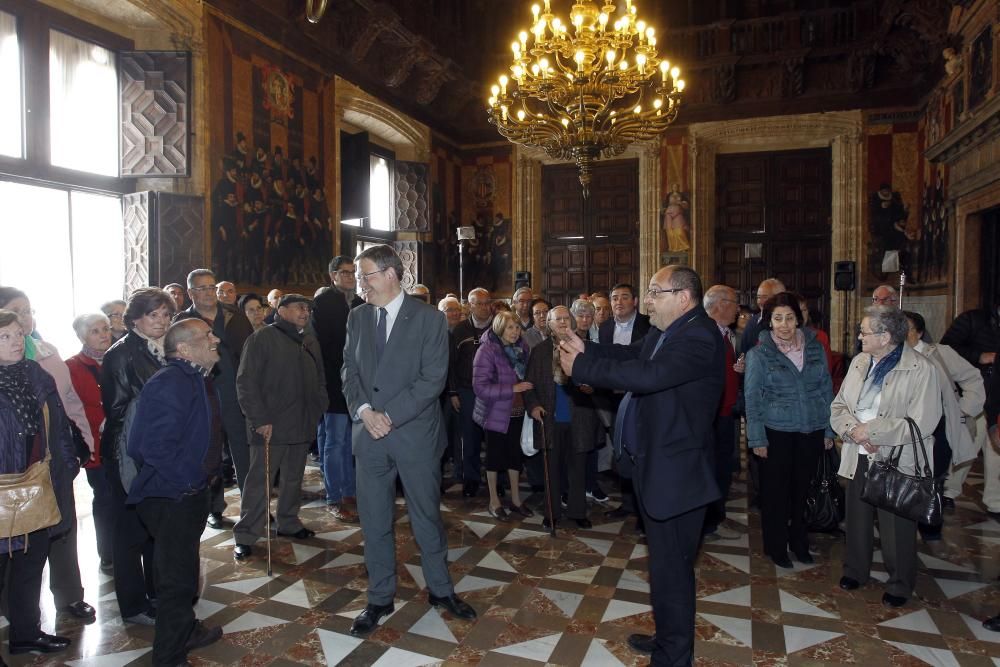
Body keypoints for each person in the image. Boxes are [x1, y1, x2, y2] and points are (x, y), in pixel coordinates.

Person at [559, 265, 724, 664]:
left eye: (654, 292)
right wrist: (586, 347)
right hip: (658, 467)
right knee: (665, 569)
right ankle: (668, 638)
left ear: (683, 297)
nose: (647, 301)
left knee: (673, 572)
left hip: (678, 475)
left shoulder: (700, 336)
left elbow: (649, 375)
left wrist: (582, 369)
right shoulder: (669, 332)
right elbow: (633, 354)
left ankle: (674, 656)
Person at [342, 244, 476, 636]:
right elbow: (348, 371)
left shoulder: (429, 319)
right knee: (374, 520)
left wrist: (390, 416)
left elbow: (432, 379)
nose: (360, 283)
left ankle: (440, 589)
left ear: (389, 274)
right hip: (369, 435)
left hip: (414, 435)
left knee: (426, 517)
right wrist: (366, 411)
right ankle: (379, 596)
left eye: (365, 275)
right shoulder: (357, 318)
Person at [127, 319, 225, 666]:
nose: (215, 339)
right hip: (171, 496)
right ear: (184, 349)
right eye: (207, 336)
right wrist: (189, 478)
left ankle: (187, 629)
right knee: (176, 581)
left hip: (188, 491)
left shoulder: (196, 377)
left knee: (184, 570)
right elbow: (148, 447)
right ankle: (168, 656)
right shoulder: (170, 383)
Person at [832, 306, 942, 608]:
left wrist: (873, 433)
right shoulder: (859, 362)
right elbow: (839, 405)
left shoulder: (921, 368)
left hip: (897, 456)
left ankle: (900, 583)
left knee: (897, 526)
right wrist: (854, 431)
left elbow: (923, 421)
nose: (859, 337)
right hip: (859, 451)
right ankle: (855, 570)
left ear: (885, 336)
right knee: (857, 518)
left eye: (864, 332)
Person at [0, 287, 95, 622]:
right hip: (17, 470)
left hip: (55, 460)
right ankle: (17, 613)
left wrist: (82, 437)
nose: (26, 319)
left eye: (28, 311)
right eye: (17, 312)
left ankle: (69, 597)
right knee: (20, 536)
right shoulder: (8, 358)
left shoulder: (44, 351)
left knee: (62, 530)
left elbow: (66, 401)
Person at [101, 286, 176, 625]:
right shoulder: (121, 353)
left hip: (158, 451)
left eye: (166, 315)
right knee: (129, 534)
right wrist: (121, 464)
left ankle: (156, 593)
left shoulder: (164, 349)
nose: (161, 321)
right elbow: (116, 412)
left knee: (154, 529)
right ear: (135, 319)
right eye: (153, 315)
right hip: (128, 453)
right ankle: (132, 605)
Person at [744, 292, 835, 568]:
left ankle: (799, 541)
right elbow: (752, 397)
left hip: (811, 429)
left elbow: (825, 389)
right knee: (776, 493)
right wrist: (757, 437)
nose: (784, 324)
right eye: (778, 318)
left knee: (802, 490)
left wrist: (829, 430)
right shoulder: (759, 354)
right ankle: (776, 546)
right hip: (776, 432)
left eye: (790, 318)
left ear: (799, 319)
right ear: (769, 322)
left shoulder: (815, 347)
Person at [233, 294, 327, 559]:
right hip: (270, 426)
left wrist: (318, 406)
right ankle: (247, 534)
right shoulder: (262, 338)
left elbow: (320, 378)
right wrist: (259, 420)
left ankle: (288, 522)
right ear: (281, 309)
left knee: (293, 478)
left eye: (308, 309)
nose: (305, 312)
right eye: (300, 307)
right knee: (259, 482)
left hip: (301, 422)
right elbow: (246, 383)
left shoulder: (309, 340)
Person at [177, 269, 254, 527]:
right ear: (190, 293)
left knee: (243, 453)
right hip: (203, 397)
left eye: (212, 287)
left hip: (236, 394)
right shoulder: (183, 322)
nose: (209, 293)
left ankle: (252, 507)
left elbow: (250, 354)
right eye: (202, 288)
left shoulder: (236, 316)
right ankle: (214, 506)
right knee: (211, 454)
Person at [901, 312, 985, 513]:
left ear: (919, 333)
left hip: (939, 424)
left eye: (907, 329)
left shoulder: (939, 353)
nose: (902, 334)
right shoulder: (891, 355)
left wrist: (963, 409)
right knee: (905, 473)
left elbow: (972, 378)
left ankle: (931, 525)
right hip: (905, 425)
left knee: (934, 474)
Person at [525, 306, 597, 528]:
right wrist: (534, 406)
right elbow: (529, 386)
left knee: (578, 469)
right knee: (552, 470)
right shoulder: (539, 351)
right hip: (550, 418)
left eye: (567, 318)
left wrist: (592, 387)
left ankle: (577, 512)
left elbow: (599, 378)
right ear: (549, 324)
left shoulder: (586, 348)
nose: (564, 322)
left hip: (579, 416)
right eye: (558, 319)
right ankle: (552, 512)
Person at [312, 255, 364, 523]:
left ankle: (349, 489)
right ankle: (334, 496)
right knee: (334, 441)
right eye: (344, 273)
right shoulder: (323, 303)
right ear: (332, 275)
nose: (349, 277)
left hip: (355, 382)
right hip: (333, 380)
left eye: (352, 272)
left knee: (349, 441)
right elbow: (322, 345)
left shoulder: (359, 303)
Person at [66, 313, 116, 573]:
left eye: (105, 328)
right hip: (95, 443)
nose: (103, 334)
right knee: (104, 497)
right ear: (82, 336)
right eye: (95, 331)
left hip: (121, 441)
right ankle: (107, 553)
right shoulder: (72, 366)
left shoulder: (117, 358)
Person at [472, 310, 533, 520]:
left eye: (517, 327)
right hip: (495, 413)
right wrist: (512, 389)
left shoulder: (522, 348)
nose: (515, 332)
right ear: (499, 328)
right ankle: (494, 502)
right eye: (510, 327)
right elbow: (480, 388)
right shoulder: (487, 350)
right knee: (494, 458)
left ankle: (516, 500)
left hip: (518, 412)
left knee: (515, 457)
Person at [598, 284, 651, 523]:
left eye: (624, 297)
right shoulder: (605, 327)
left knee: (640, 450)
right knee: (620, 451)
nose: (618, 302)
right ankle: (627, 502)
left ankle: (644, 507)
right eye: (614, 298)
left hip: (639, 396)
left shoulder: (648, 325)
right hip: (613, 397)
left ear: (635, 301)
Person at [702, 285, 743, 541]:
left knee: (722, 469)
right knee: (710, 470)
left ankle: (716, 517)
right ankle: (708, 523)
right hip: (710, 416)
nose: (738, 308)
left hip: (726, 412)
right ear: (720, 304)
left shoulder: (727, 334)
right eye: (734, 302)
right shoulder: (706, 333)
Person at [449, 287, 493, 496]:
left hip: (494, 391)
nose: (485, 307)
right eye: (480, 304)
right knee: (470, 437)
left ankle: (498, 480)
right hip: (467, 391)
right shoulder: (460, 330)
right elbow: (451, 364)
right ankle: (472, 479)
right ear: (470, 305)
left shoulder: (498, 326)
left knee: (495, 437)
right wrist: (453, 392)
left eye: (487, 303)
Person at [570, 298, 609, 504]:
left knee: (593, 442)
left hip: (595, 397)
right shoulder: (568, 338)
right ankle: (579, 486)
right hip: (575, 399)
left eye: (588, 316)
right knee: (580, 445)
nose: (585, 320)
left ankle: (591, 484)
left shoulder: (597, 336)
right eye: (581, 316)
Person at [740, 278, 786, 353]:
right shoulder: (752, 323)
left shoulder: (790, 323)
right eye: (758, 297)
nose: (760, 302)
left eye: (765, 297)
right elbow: (744, 353)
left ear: (779, 298)